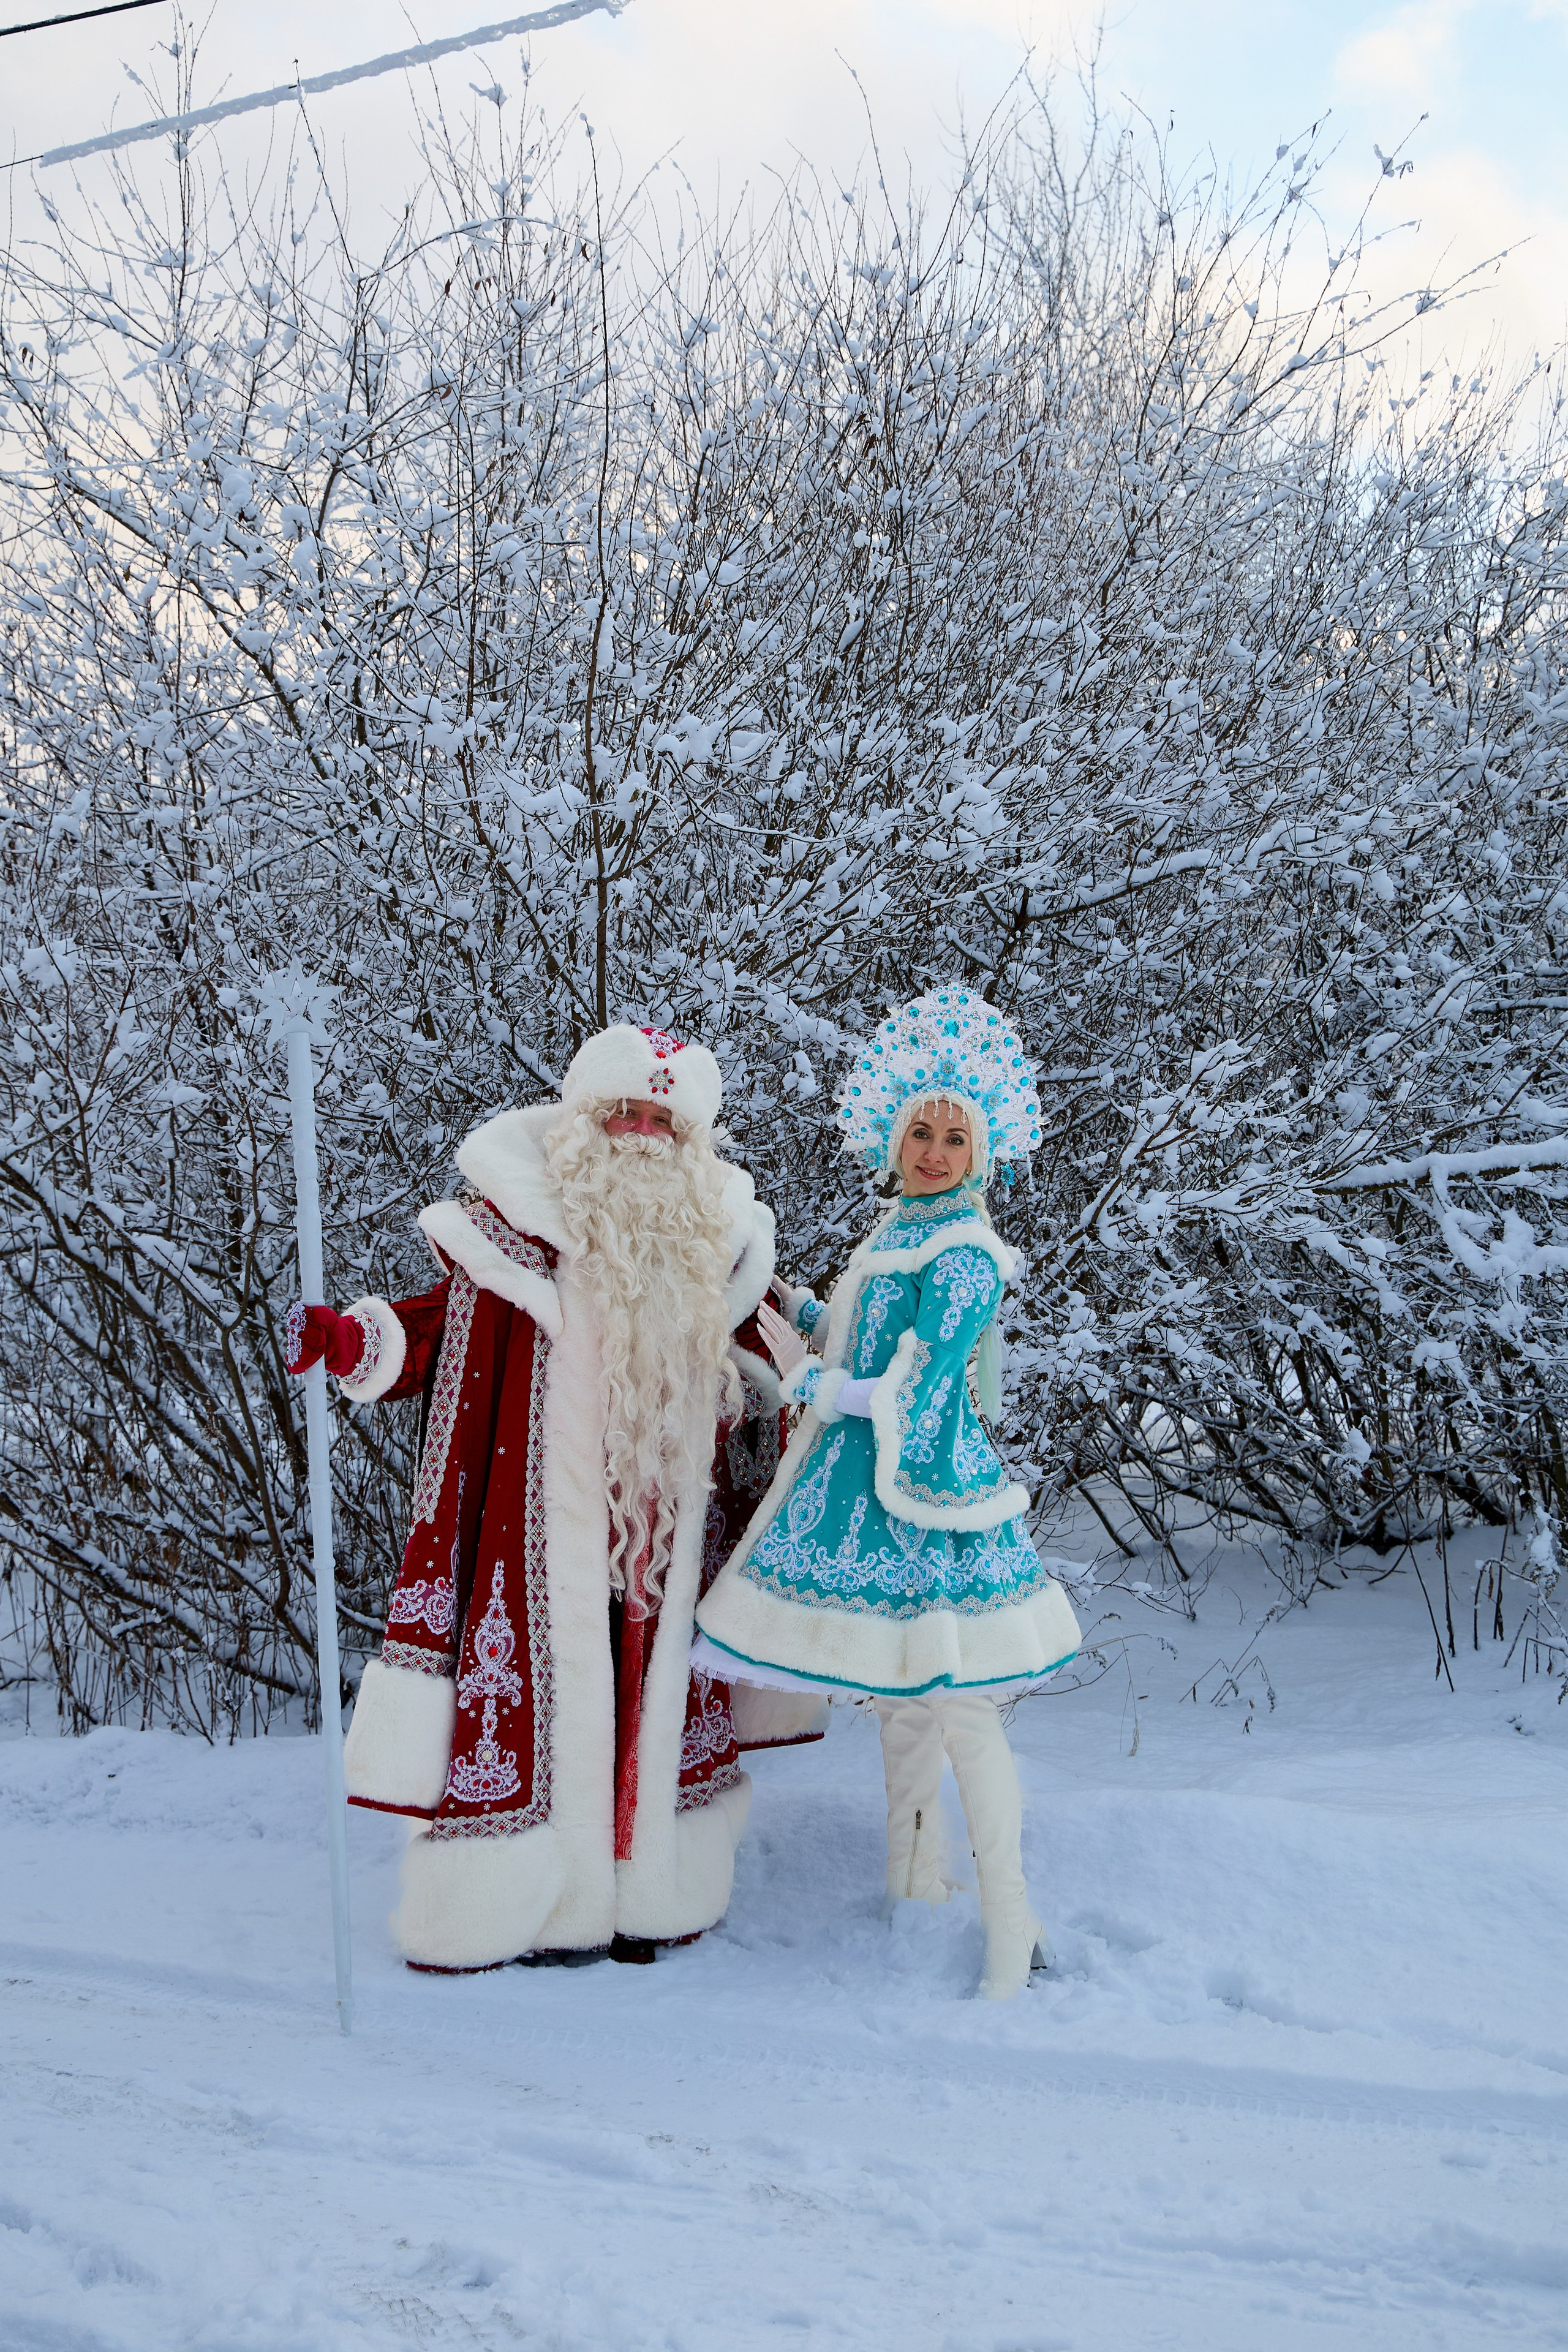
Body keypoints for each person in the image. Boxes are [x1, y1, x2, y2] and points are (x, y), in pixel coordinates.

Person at [287, 1023, 823, 1972]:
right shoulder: (516, 1233)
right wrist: (353, 1342)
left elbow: (790, 1347)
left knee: (646, 1706)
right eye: (623, 1111)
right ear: (583, 1121)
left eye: (663, 1117)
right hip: (534, 1526)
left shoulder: (718, 1247)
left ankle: (649, 1896)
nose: (641, 1131)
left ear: (692, 1140)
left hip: (669, 1535)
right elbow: (440, 1328)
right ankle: (538, 1906)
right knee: (546, 1702)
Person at [693, 989, 1081, 2000]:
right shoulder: (899, 1228)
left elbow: (920, 1378)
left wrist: (817, 1385)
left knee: (956, 1708)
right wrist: (794, 1308)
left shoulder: (966, 1251)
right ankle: (919, 1894)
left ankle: (1011, 1925)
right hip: (874, 1487)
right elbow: (864, 1332)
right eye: (921, 1131)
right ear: (893, 1138)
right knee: (908, 1702)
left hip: (927, 1495)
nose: (936, 1150)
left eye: (955, 1137)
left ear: (980, 1153)